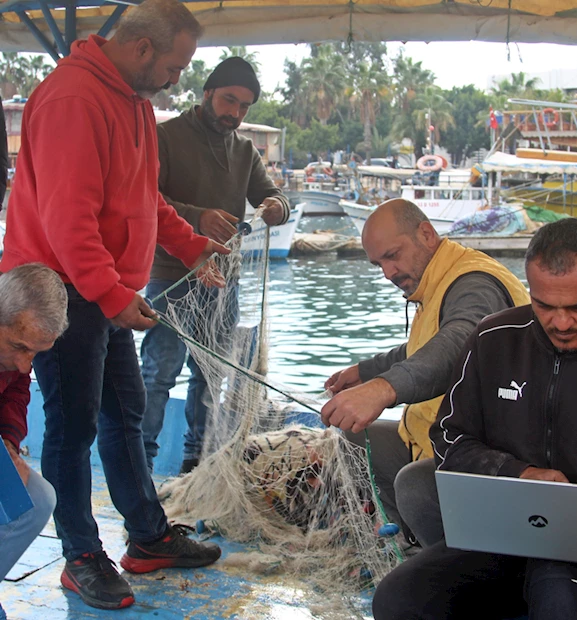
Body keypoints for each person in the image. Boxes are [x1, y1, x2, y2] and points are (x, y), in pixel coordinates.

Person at [0, 0, 230, 610]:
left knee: (124, 412)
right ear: (143, 48)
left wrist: (193, 245)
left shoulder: (134, 101)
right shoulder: (74, 99)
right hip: (59, 290)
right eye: (176, 65)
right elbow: (68, 219)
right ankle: (80, 555)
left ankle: (148, 536)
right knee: (72, 426)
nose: (177, 79)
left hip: (105, 290)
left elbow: (143, 197)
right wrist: (110, 293)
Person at [372, 218, 577, 620]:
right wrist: (518, 473)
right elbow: (450, 438)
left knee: (559, 598)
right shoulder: (492, 339)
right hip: (504, 535)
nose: (561, 323)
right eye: (545, 306)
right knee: (396, 599)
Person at [321, 199, 529, 540]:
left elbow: (460, 344)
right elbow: (425, 346)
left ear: (427, 234)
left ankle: (445, 562)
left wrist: (383, 389)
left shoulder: (474, 283)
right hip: (431, 439)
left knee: (414, 485)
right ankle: (406, 540)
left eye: (393, 255)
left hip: (485, 457)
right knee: (355, 438)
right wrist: (366, 371)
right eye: (379, 264)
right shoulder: (435, 280)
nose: (388, 273)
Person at [140, 57, 290, 474]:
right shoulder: (165, 137)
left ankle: (198, 466)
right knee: (158, 375)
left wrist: (276, 207)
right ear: (207, 93)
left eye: (244, 107)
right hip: (171, 278)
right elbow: (143, 198)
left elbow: (275, 196)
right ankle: (141, 466)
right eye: (229, 100)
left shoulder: (244, 150)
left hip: (224, 282)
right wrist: (197, 217)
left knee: (211, 376)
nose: (235, 113)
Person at [0, 265, 68, 620]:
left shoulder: (14, 359)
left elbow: (16, 393)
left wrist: (9, 445)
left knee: (38, 498)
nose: (27, 366)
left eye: (36, 354)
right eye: (19, 347)